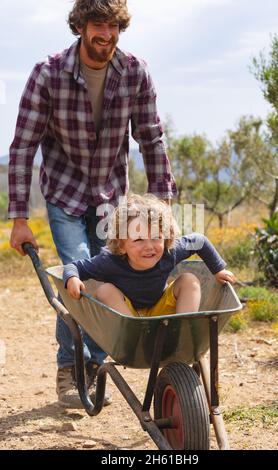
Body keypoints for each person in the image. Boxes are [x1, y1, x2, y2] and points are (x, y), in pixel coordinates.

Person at [8, 1, 177, 408]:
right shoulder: (48, 74)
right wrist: (18, 218)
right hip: (64, 193)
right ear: (81, 26)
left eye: (113, 25)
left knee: (109, 278)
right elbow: (22, 147)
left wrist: (163, 204)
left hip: (112, 198)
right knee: (77, 277)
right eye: (98, 24)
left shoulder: (134, 71)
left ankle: (96, 363)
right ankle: (70, 368)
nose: (106, 33)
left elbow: (151, 139)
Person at [64, 194, 236, 317]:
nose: (149, 246)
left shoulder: (170, 252)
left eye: (156, 237)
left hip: (161, 310)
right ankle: (134, 337)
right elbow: (75, 266)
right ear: (122, 245)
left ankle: (182, 329)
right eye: (138, 240)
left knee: (189, 280)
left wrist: (218, 269)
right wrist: (72, 277)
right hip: (129, 313)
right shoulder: (109, 260)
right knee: (105, 290)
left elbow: (200, 240)